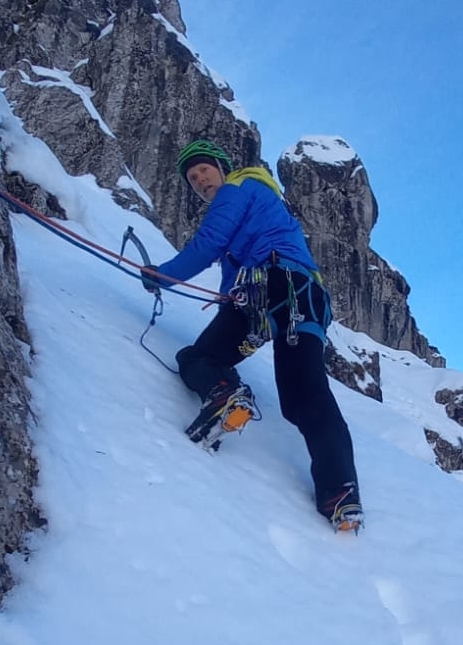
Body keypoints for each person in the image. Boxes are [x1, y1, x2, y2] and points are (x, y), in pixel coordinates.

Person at [143, 138, 362, 532]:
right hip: (304, 300)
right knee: (304, 398)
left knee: (197, 358)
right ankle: (339, 494)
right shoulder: (263, 201)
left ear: (222, 168)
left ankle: (225, 392)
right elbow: (231, 281)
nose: (200, 181)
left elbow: (207, 244)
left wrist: (162, 276)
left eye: (204, 170)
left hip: (270, 289)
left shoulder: (238, 188)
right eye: (193, 178)